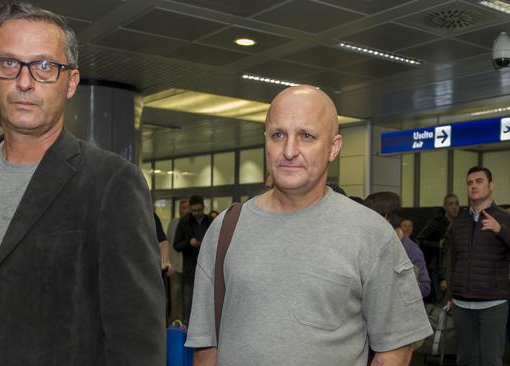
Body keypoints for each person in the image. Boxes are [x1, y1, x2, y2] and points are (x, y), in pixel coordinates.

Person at [0, 3, 164, 365]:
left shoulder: (111, 182)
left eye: (45, 65)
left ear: (71, 82)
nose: (25, 81)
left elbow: (137, 335)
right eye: (9, 63)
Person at [185, 85, 432, 366]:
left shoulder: (371, 234)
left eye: (306, 136)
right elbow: (206, 346)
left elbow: (395, 348)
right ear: (265, 140)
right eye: (278, 135)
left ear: (334, 147)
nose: (289, 150)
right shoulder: (226, 228)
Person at [446, 166, 510, 366]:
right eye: (470, 183)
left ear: (491, 186)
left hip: (493, 303)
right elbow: (451, 260)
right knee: (466, 360)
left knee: (491, 360)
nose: (474, 186)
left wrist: (500, 230)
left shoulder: (503, 218)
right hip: (461, 304)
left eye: (479, 181)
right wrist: (450, 295)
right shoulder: (459, 221)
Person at [365, 191, 431, 298]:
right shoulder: (371, 243)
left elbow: (425, 288)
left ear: (386, 218)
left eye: (370, 216)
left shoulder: (410, 250)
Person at [174, 194, 211, 324]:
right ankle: (186, 331)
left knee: (207, 303)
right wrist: (189, 243)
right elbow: (176, 244)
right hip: (190, 270)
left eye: (199, 210)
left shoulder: (209, 221)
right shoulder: (184, 222)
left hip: (208, 271)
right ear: (190, 208)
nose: (197, 213)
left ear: (204, 207)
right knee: (188, 304)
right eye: (194, 210)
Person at [416, 193, 460, 304]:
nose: (454, 207)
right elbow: (420, 239)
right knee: (442, 300)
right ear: (444, 207)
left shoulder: (461, 222)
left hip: (455, 266)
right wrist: (438, 244)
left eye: (456, 204)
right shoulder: (436, 222)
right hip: (438, 267)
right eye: (451, 204)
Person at [167, 199, 188, 323]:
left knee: (187, 297)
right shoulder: (173, 223)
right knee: (175, 297)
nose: (183, 210)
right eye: (181, 208)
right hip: (175, 266)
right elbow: (169, 243)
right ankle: (176, 323)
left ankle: (187, 322)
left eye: (185, 208)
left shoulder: (190, 223)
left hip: (188, 267)